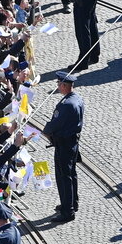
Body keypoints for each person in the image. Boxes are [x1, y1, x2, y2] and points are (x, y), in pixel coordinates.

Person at [43, 71, 84, 223]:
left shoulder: (66, 105)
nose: (58, 87)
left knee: (63, 177)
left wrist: (46, 130)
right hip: (72, 142)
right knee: (71, 174)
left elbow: (54, 124)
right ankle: (72, 202)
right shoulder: (77, 99)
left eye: (59, 84)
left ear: (65, 85)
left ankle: (68, 211)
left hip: (64, 143)